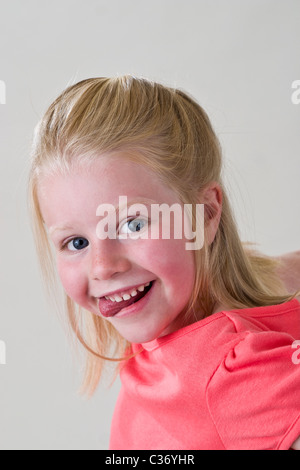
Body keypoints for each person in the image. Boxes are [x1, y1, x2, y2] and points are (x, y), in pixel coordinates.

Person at [28, 76, 300, 450]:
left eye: (132, 224)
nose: (102, 267)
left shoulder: (231, 371)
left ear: (205, 215)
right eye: (76, 242)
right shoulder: (183, 317)